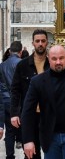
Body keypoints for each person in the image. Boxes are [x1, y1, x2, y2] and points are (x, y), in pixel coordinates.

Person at [10, 29, 50, 159]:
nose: (40, 44)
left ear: (47, 43)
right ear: (32, 43)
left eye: (43, 41)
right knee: (31, 153)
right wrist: (14, 113)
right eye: (37, 41)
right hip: (30, 115)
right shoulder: (23, 65)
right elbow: (15, 90)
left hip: (49, 114)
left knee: (52, 151)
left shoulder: (53, 64)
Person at [0, 41, 22, 159]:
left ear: (9, 51)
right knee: (24, 128)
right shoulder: (22, 64)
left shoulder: (2, 66)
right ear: (21, 51)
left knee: (9, 131)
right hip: (19, 102)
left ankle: (10, 156)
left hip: (6, 101)